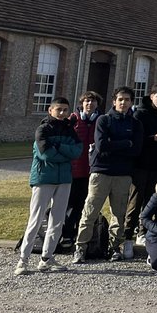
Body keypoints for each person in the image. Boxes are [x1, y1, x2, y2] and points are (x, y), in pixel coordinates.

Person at [74, 87, 143, 265]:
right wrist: (125, 143)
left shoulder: (135, 124)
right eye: (120, 99)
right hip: (101, 172)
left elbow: (136, 150)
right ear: (114, 101)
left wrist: (116, 144)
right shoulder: (103, 120)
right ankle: (80, 247)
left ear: (131, 102)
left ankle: (114, 248)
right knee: (90, 212)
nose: (123, 102)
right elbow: (102, 146)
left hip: (123, 174)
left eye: (127, 99)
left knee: (118, 214)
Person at [15, 98, 83, 275]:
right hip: (44, 178)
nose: (62, 113)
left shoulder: (69, 130)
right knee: (36, 219)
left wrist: (60, 147)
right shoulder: (43, 129)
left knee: (58, 220)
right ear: (50, 110)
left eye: (65, 110)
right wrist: (65, 153)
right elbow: (46, 154)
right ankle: (23, 259)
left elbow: (77, 151)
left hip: (64, 179)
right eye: (58, 109)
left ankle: (47, 257)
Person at [126, 83, 157, 254]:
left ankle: (143, 231)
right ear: (152, 95)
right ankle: (127, 235)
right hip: (140, 164)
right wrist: (153, 139)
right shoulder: (140, 114)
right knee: (135, 200)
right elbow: (136, 139)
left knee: (151, 201)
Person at [62, 90, 100, 248]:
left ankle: (82, 234)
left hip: (90, 170)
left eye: (93, 101)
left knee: (86, 204)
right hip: (74, 169)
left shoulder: (99, 120)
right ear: (81, 104)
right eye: (87, 101)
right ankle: (67, 235)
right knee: (70, 204)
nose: (89, 104)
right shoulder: (73, 119)